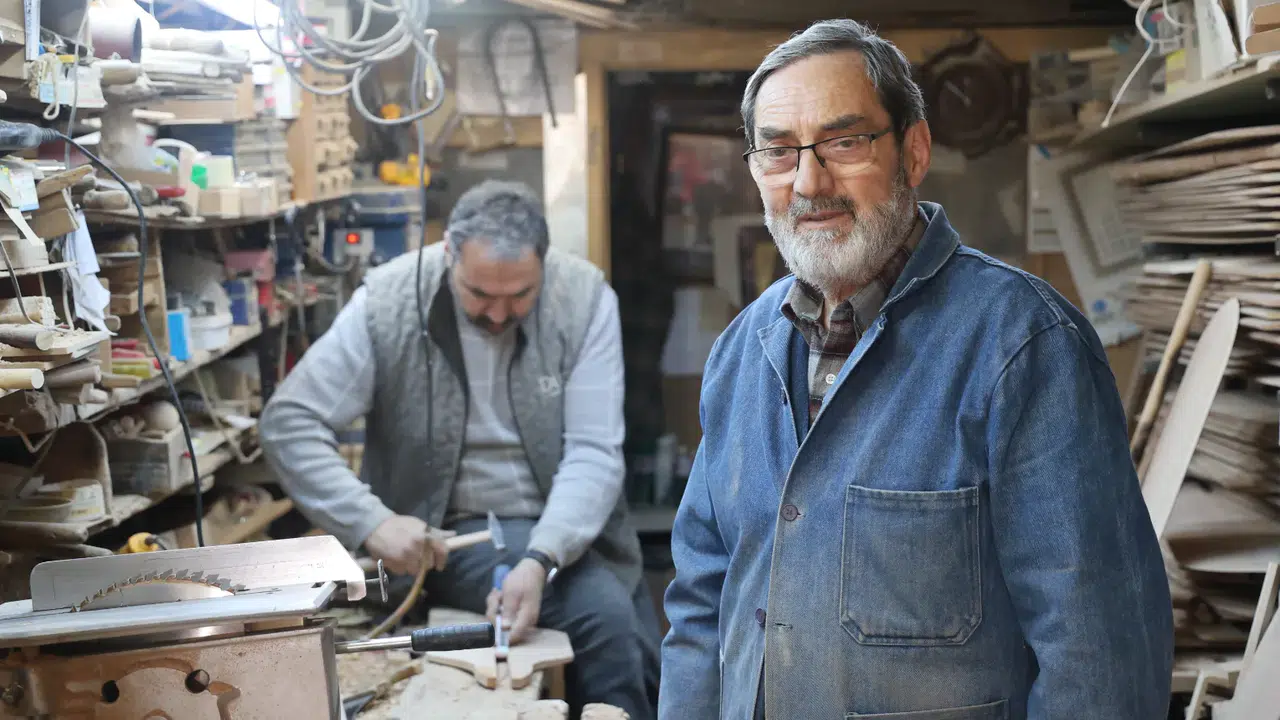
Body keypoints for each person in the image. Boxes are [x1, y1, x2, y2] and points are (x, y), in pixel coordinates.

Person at [658, 19, 1173, 720]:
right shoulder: (741, 353)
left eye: (843, 142)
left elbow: (1099, 657)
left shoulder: (1024, 346)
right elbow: (699, 603)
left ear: (915, 150)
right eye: (777, 153)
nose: (809, 181)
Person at [260, 179, 660, 720]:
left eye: (520, 296)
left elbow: (593, 452)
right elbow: (290, 421)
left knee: (633, 646)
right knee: (604, 618)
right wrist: (369, 521)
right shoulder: (389, 301)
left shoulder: (583, 298)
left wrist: (541, 558)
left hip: (567, 531)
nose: (498, 315)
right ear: (448, 254)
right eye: (480, 295)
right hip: (448, 535)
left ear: (544, 263)